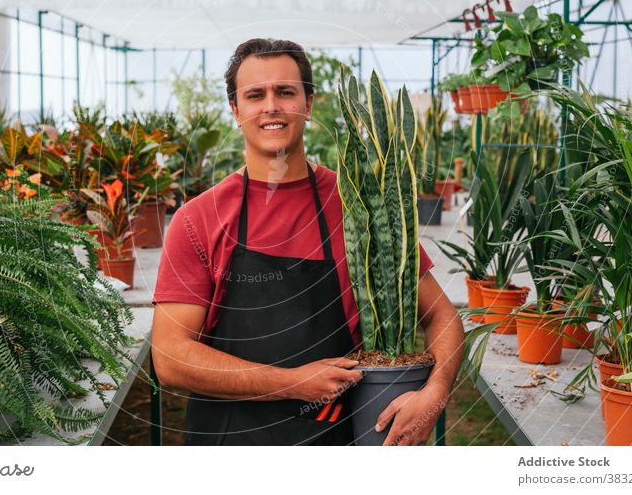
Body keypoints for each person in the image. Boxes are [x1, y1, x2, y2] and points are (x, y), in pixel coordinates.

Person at [151, 38, 464, 446]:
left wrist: (435, 393)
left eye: (285, 92)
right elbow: (170, 357)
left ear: (308, 103)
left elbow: (443, 318)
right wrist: (292, 383)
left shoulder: (361, 209)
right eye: (254, 95)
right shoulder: (198, 219)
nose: (271, 107)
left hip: (338, 440)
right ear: (235, 110)